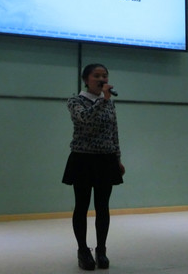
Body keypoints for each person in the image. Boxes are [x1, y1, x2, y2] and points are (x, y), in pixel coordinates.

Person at [62, 63, 125, 270]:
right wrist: (103, 100)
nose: (101, 79)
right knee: (81, 206)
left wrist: (117, 158)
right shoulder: (75, 101)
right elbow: (85, 120)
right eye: (96, 76)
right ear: (86, 79)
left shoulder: (109, 103)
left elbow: (113, 132)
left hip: (106, 159)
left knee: (102, 207)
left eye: (104, 75)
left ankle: (101, 250)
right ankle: (83, 250)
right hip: (83, 159)